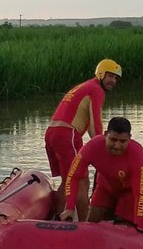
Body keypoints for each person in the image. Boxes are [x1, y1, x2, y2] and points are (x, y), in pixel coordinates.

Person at [45, 59, 122, 219]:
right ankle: (85, 223)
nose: (113, 81)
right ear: (101, 74)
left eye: (116, 78)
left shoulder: (84, 86)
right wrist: (104, 149)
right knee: (81, 180)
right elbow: (96, 123)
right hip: (67, 134)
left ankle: (57, 219)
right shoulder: (96, 90)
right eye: (110, 76)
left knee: (67, 180)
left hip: (52, 133)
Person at [59, 117, 143, 229]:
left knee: (125, 230)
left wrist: (139, 226)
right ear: (105, 134)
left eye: (123, 141)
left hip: (129, 192)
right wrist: (70, 207)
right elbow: (73, 177)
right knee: (91, 227)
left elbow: (140, 194)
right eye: (113, 140)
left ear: (129, 138)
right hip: (106, 188)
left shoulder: (137, 154)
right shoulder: (92, 146)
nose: (117, 146)